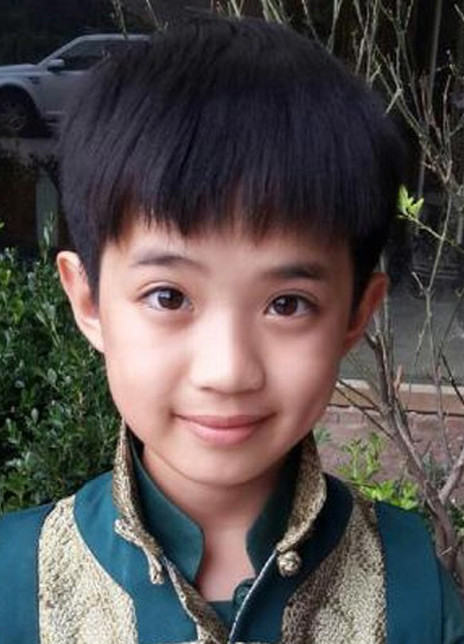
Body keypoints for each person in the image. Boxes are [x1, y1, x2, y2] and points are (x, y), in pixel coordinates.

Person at [1, 15, 463, 644]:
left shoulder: (412, 591)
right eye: (168, 296)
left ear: (357, 311)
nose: (227, 371)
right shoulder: (15, 583)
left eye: (287, 304)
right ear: (89, 300)